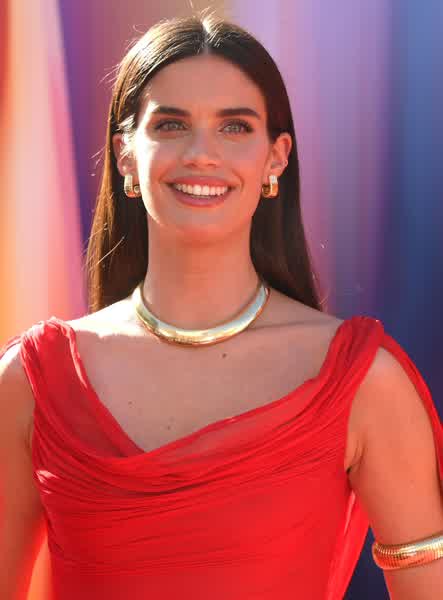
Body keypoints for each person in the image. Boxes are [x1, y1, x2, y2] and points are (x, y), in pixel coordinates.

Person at [1, 10, 442, 600]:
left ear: (276, 157)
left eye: (234, 127)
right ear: (125, 153)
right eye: (171, 124)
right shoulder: (31, 382)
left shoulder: (363, 381)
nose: (202, 154)